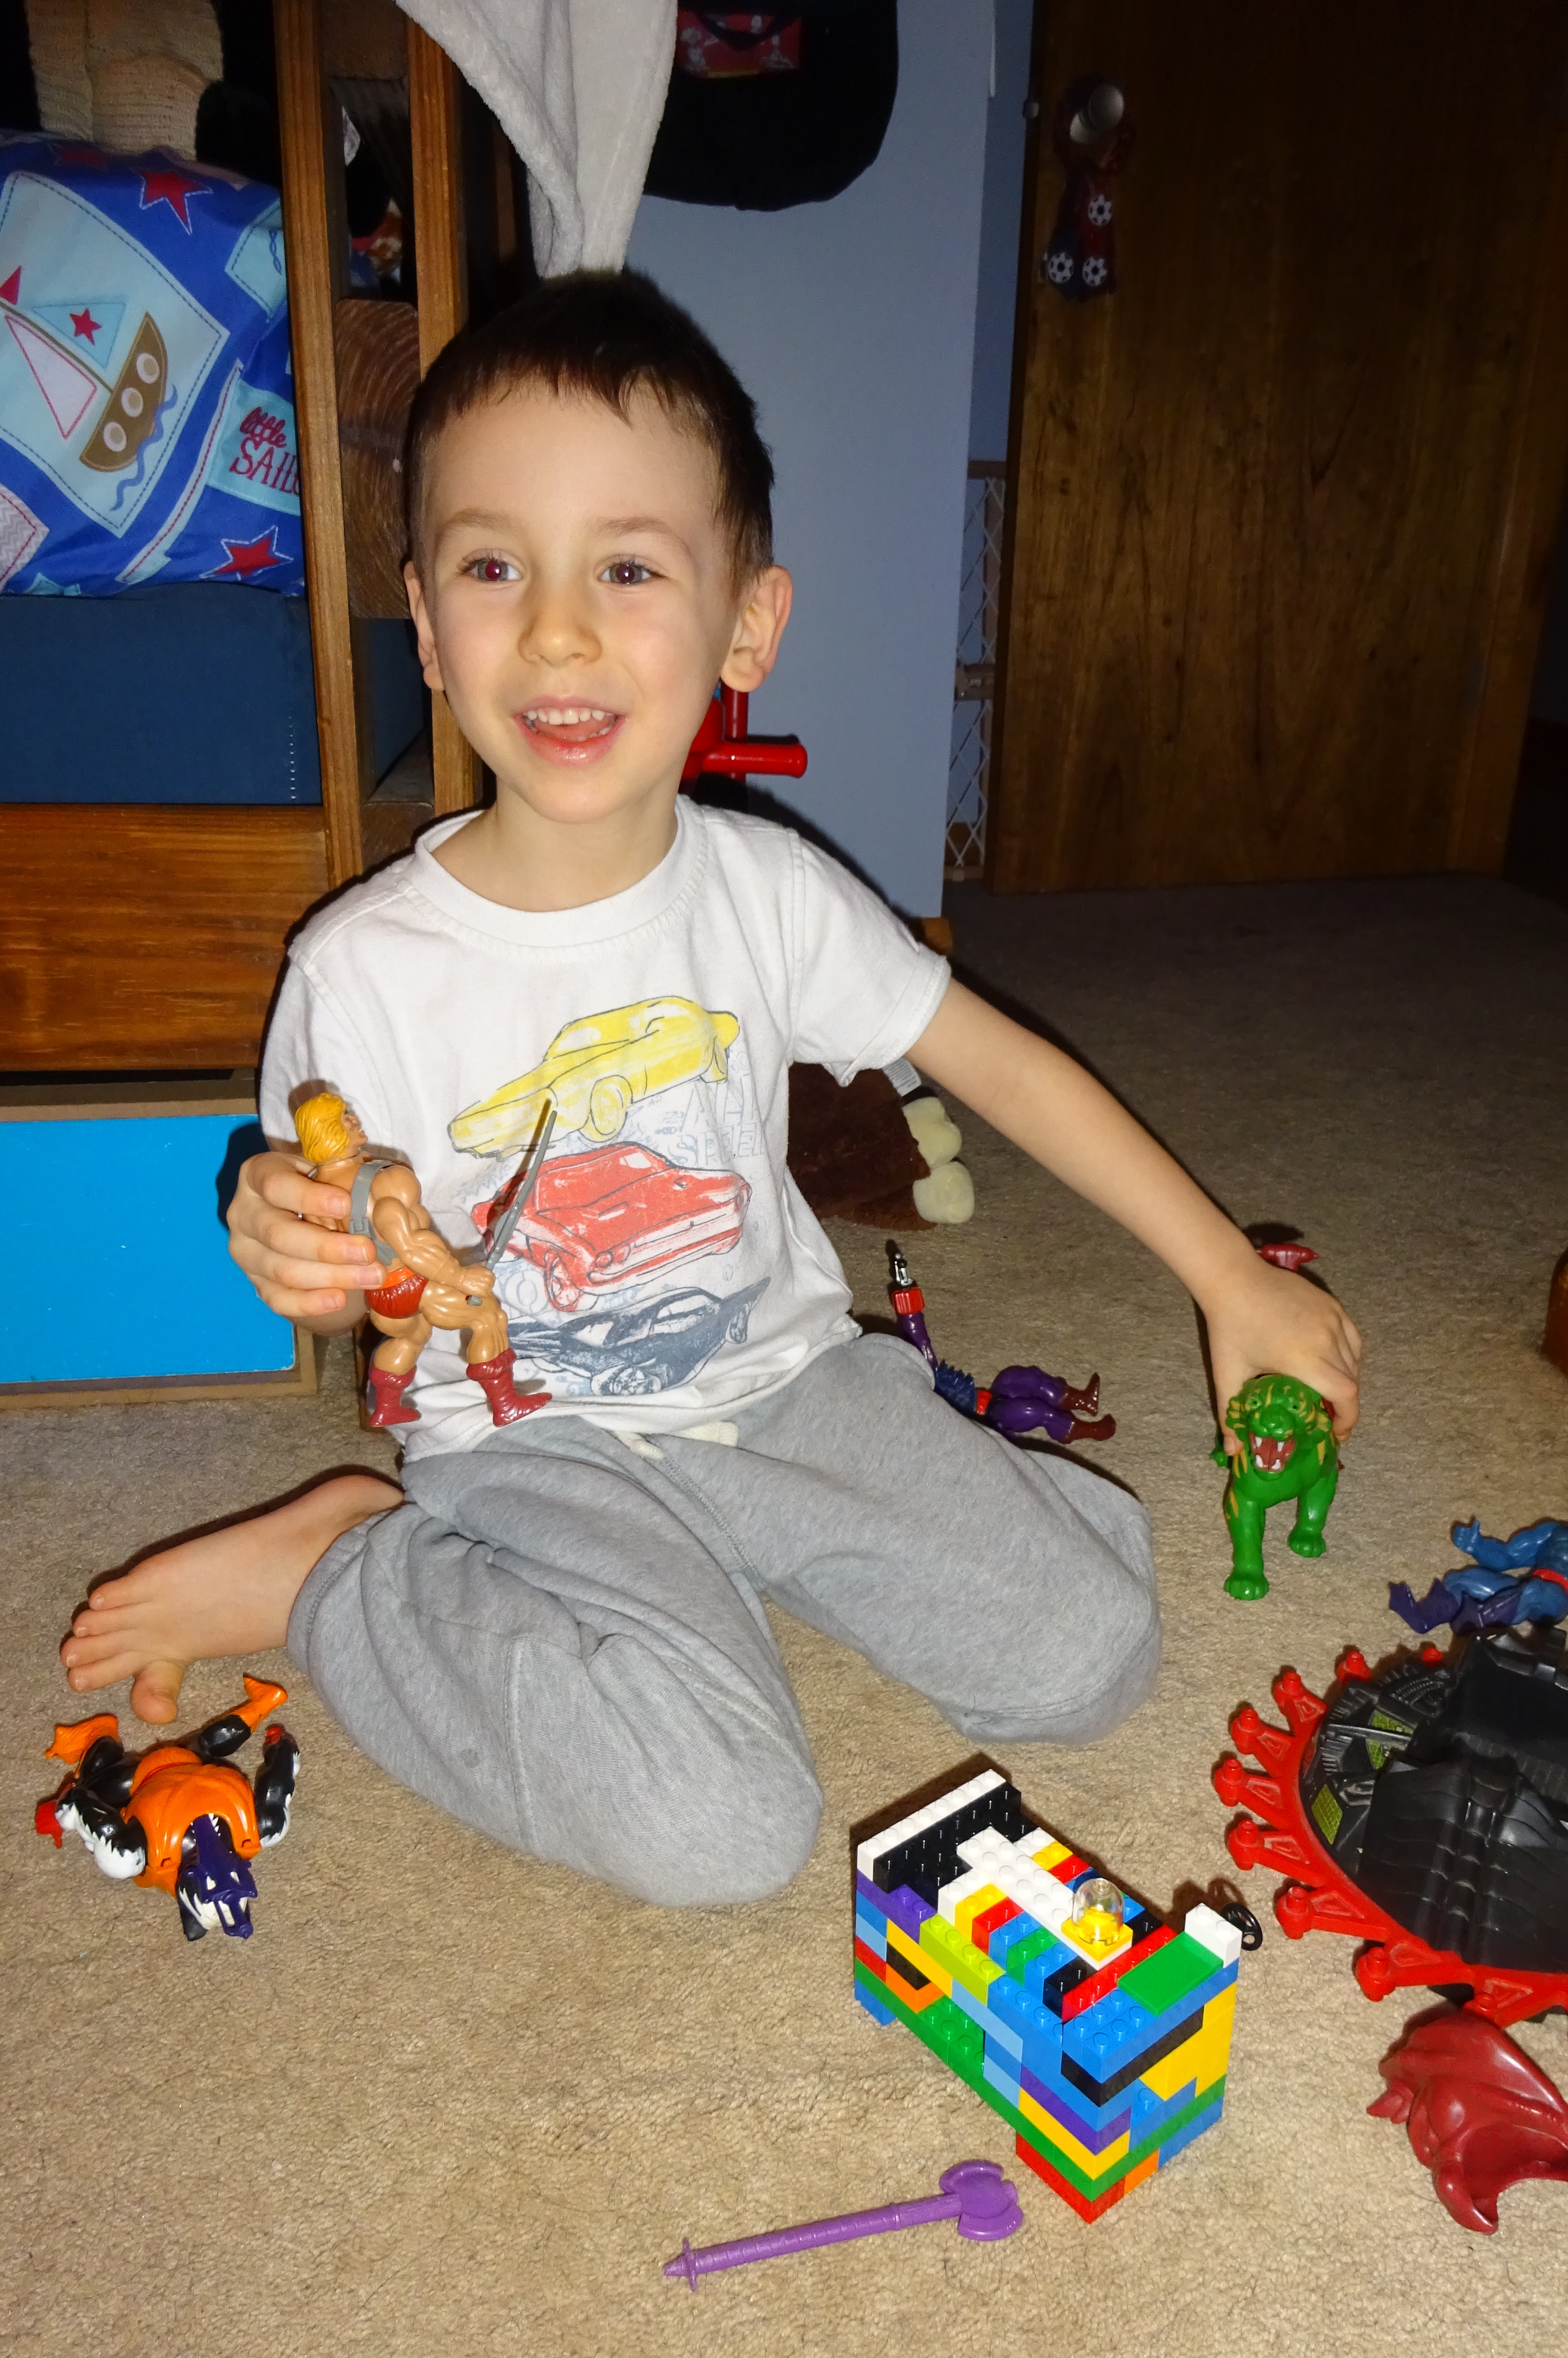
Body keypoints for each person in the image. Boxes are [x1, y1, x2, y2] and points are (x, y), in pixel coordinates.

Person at [60, 271, 1361, 1907]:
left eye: (627, 567)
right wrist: (290, 1232)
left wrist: (1229, 1274)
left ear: (749, 622)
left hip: (783, 1383)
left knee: (1094, 1647)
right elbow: (330, 1241)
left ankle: (761, 1549)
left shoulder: (771, 892)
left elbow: (1006, 1068)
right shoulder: (364, 969)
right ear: (426, 621)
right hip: (529, 1440)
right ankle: (345, 1570)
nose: (556, 628)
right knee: (721, 1828)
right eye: (493, 566)